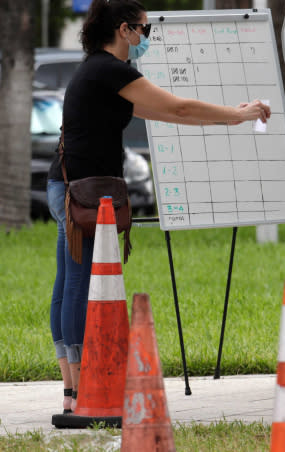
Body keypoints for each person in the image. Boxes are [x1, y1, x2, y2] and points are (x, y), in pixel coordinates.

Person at [46, 0, 270, 414]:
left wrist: (230, 116)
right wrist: (240, 117)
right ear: (124, 29)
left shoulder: (95, 70)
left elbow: (168, 114)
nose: (146, 39)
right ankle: (82, 390)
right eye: (144, 31)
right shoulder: (112, 71)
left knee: (67, 286)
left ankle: (72, 390)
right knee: (78, 285)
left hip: (64, 186)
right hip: (83, 192)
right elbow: (178, 107)